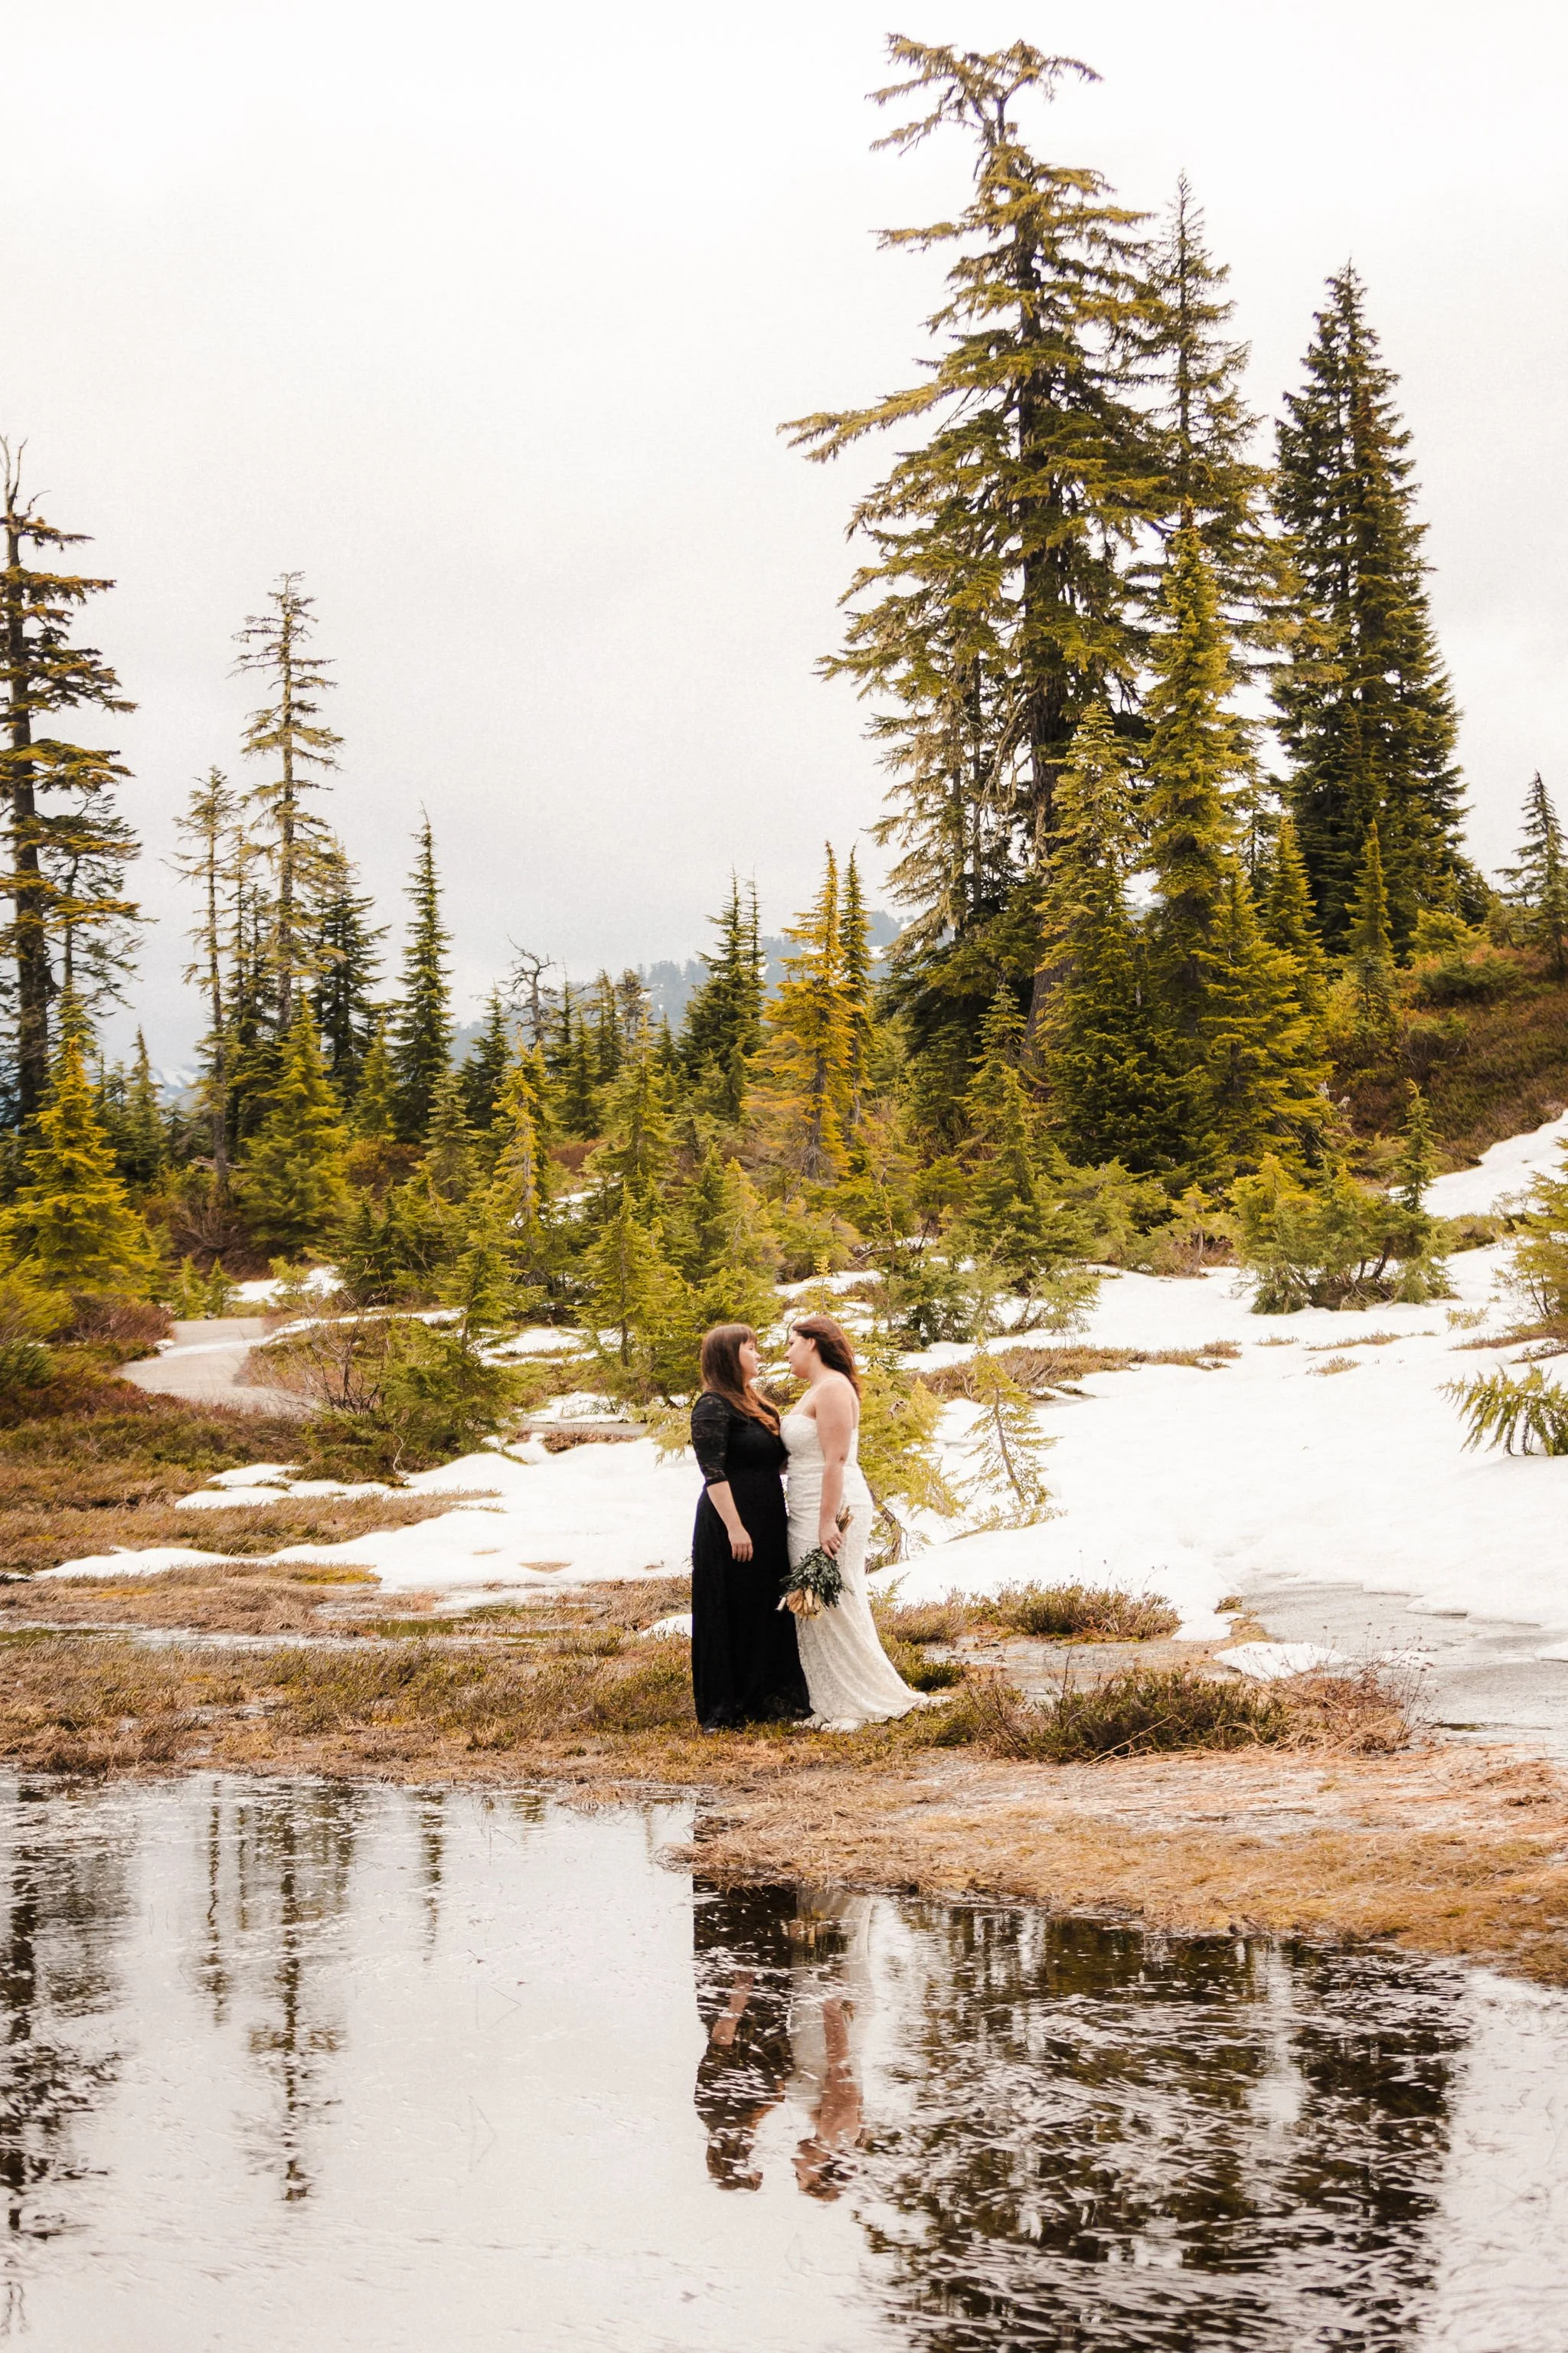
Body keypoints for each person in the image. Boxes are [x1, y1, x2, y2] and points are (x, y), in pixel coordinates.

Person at [781, 1313, 933, 1730]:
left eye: (792, 1343)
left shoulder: (832, 1388)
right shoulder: (813, 1390)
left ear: (812, 1343)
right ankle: (831, 1700)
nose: (787, 1352)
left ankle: (860, 1699)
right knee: (817, 1604)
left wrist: (828, 1521)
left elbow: (837, 1459)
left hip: (832, 1507)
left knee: (835, 1601)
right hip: (807, 1507)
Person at [689, 1323, 811, 1731]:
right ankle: (727, 1705)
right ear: (729, 1356)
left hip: (768, 1516)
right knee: (732, 1605)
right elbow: (714, 1473)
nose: (758, 1355)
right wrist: (735, 1528)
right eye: (751, 1348)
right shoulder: (712, 1405)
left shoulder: (754, 1403)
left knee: (764, 1604)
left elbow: (773, 1461)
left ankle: (765, 1696)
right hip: (731, 1521)